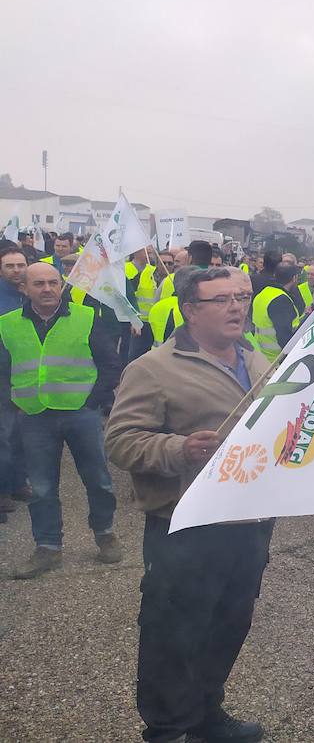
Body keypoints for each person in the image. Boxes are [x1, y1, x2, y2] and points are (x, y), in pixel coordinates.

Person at [105, 267, 273, 743]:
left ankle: (206, 714)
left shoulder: (256, 359)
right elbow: (120, 441)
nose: (237, 306)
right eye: (221, 300)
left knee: (229, 622)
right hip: (185, 523)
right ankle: (169, 729)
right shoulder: (153, 369)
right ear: (191, 311)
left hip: (248, 520)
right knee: (174, 631)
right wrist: (179, 449)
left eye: (242, 296)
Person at [2, 262, 124, 578]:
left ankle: (105, 533)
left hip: (80, 414)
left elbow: (111, 364)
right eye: (39, 284)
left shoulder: (86, 318)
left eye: (53, 283)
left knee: (97, 479)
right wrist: (13, 402)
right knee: (41, 487)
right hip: (34, 416)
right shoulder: (7, 324)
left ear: (62, 285)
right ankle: (48, 548)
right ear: (24, 288)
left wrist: (93, 401)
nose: (47, 289)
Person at [0, 246, 27, 520]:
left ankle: (19, 482)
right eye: (10, 266)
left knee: (23, 433)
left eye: (21, 265)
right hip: (3, 376)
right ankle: (3, 489)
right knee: (4, 435)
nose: (17, 270)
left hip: (30, 375)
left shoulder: (30, 294)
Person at [249, 250, 297, 362]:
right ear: (294, 278)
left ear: (275, 275)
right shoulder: (281, 300)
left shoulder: (264, 293)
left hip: (261, 356)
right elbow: (284, 336)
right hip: (276, 361)